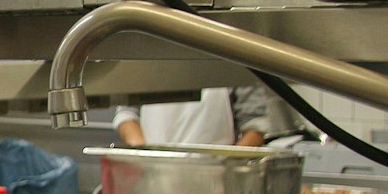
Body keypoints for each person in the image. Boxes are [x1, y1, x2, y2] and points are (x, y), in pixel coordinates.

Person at [113, 83, 301, 148]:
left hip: (213, 185)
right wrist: (145, 155)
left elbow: (255, 128)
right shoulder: (145, 54)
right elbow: (127, 114)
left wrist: (225, 172)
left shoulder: (227, 51)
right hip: (154, 180)